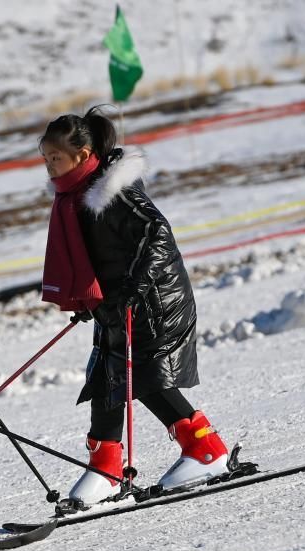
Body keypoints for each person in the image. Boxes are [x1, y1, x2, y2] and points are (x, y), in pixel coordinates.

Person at [38, 107, 229, 507]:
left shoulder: (113, 192)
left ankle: (205, 450)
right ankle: (106, 467)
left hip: (155, 299)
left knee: (142, 374)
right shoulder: (75, 197)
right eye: (46, 159)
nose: (50, 166)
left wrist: (132, 288)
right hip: (119, 303)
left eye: (55, 157)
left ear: (82, 153)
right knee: (107, 374)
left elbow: (157, 233)